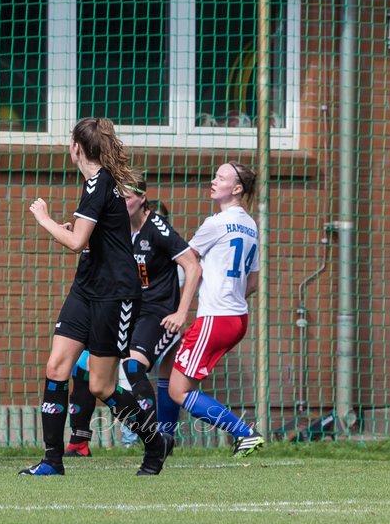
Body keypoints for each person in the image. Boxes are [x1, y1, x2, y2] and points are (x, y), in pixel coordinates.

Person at [22, 118, 172, 477]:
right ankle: (52, 461)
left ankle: (155, 444)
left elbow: (75, 243)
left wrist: (44, 218)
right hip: (86, 287)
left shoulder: (99, 182)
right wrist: (79, 232)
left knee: (101, 385)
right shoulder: (97, 183)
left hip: (114, 294)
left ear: (77, 147)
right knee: (56, 367)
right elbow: (89, 238)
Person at [65, 182, 201, 456]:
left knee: (133, 368)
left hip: (158, 314)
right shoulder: (114, 228)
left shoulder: (157, 227)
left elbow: (192, 265)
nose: (119, 203)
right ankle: (79, 442)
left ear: (142, 198)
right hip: (125, 310)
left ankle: (154, 440)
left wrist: (181, 312)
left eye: (125, 198)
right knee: (81, 366)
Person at [165, 162, 265, 457]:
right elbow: (255, 281)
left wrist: (173, 303)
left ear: (236, 189)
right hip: (237, 317)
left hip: (215, 318)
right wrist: (230, 294)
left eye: (221, 178)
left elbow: (188, 264)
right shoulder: (250, 224)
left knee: (178, 390)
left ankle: (244, 433)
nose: (213, 181)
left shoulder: (215, 223)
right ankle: (163, 441)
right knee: (177, 377)